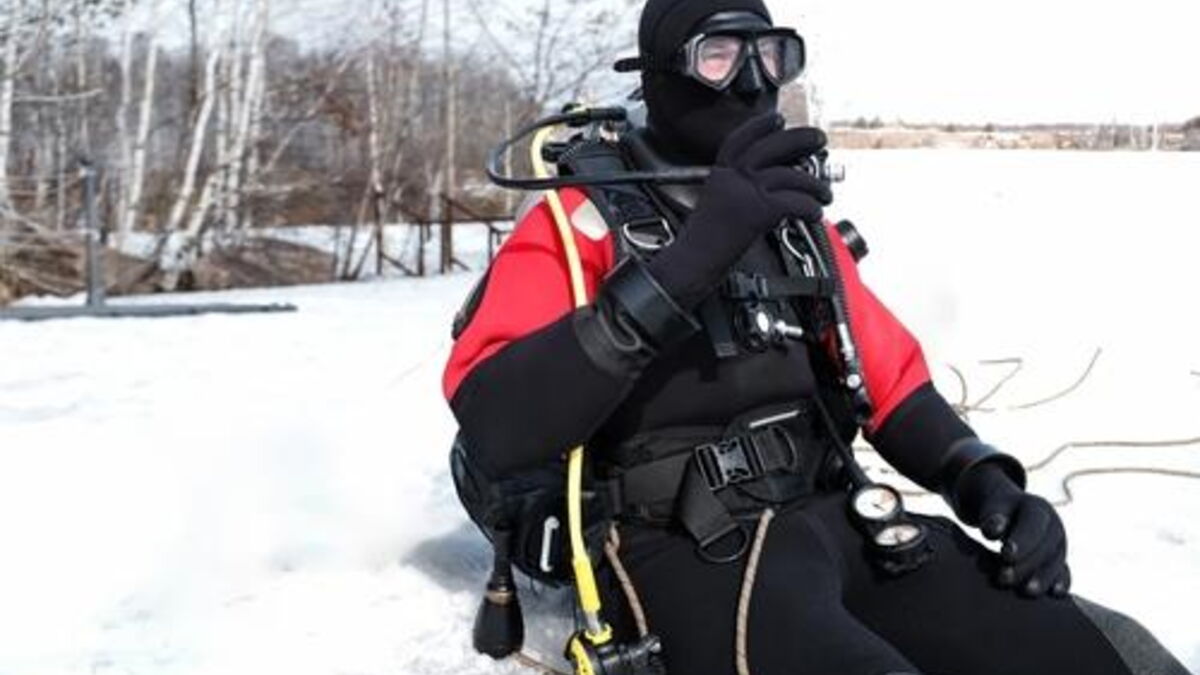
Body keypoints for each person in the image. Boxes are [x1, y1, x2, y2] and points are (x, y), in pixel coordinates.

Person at [442, 1, 1192, 673]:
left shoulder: (793, 222)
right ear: (661, 74)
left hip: (838, 517)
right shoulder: (580, 224)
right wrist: (690, 260)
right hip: (684, 548)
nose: (751, 82)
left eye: (772, 54)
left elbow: (891, 381)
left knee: (1108, 651)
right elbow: (497, 420)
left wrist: (981, 478)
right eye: (718, 55)